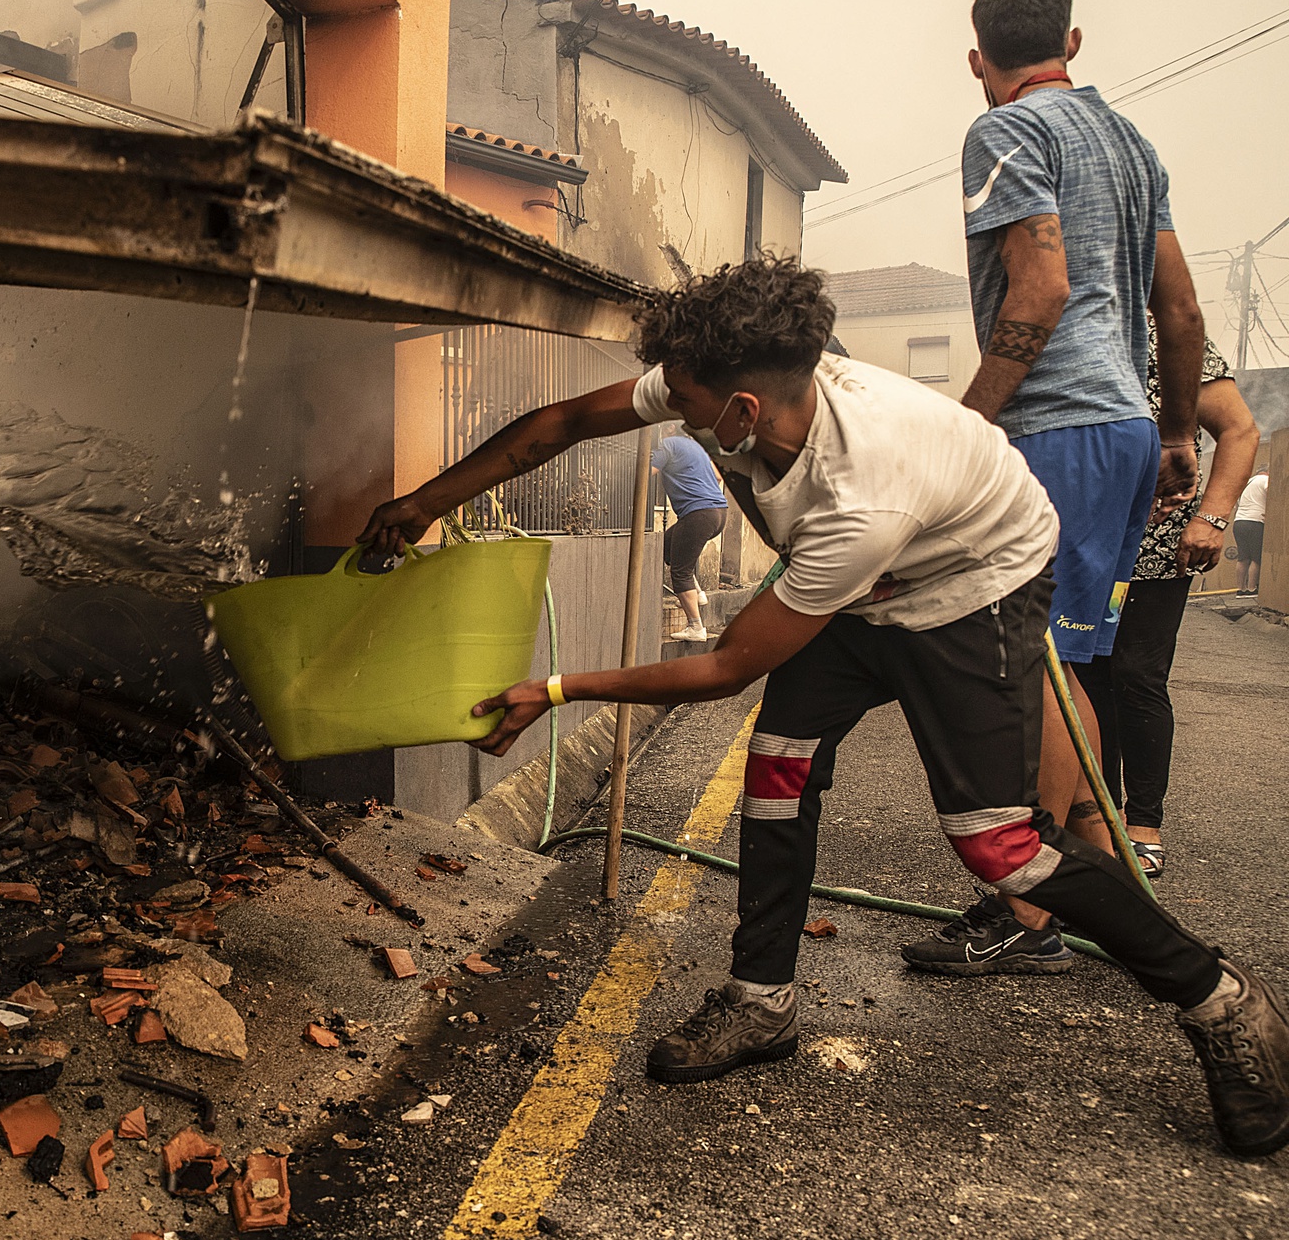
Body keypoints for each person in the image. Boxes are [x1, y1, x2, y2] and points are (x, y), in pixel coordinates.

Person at [358, 255, 1289, 1158]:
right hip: (863, 587)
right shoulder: (742, 389)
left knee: (998, 844)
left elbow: (726, 664)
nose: (668, 409)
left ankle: (1222, 999)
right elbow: (562, 421)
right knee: (777, 769)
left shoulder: (858, 493)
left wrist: (556, 689)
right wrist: (425, 500)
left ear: (742, 410)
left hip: (972, 588)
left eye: (682, 402)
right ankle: (762, 1001)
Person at [918, 0, 1208, 972]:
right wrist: (1173, 433)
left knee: (1026, 668)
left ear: (975, 61)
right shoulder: (1131, 145)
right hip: (1123, 425)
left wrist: (966, 426)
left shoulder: (1003, 130)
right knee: (1066, 664)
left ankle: (1027, 915)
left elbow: (1041, 286)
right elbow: (1179, 314)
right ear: (1070, 41)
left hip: (1055, 427)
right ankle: (1108, 899)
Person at [1077, 333, 1258, 879]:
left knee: (1137, 675)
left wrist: (1214, 517)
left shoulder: (1166, 332)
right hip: (1084, 539)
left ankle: (1144, 824)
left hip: (1157, 544)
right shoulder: (1073, 327)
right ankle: (1099, 818)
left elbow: (1240, 430)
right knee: (1087, 677)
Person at [651, 430, 729, 642]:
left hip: (698, 514)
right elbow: (718, 475)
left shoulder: (668, 444)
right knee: (666, 548)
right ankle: (698, 594)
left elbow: (647, 471)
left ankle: (696, 627)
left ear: (668, 429)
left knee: (680, 572)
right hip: (719, 512)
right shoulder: (696, 446)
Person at [1235, 471, 1268, 596]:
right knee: (1256, 558)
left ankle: (1240, 589)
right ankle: (1251, 589)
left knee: (1243, 557)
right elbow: (1272, 494)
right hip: (1255, 521)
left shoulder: (1247, 483)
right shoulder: (1265, 479)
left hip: (1239, 522)